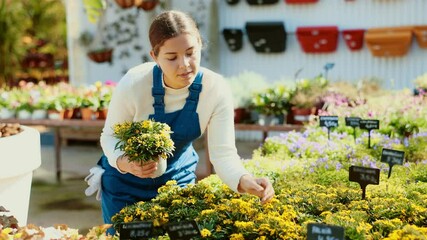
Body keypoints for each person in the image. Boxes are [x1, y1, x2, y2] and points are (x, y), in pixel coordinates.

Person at [95, 10, 274, 234]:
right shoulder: (134, 83)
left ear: (199, 45)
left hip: (177, 183)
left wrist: (244, 179)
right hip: (125, 186)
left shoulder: (214, 89)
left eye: (191, 53)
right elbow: (109, 136)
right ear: (154, 56)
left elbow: (223, 154)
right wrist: (125, 162)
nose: (184, 64)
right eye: (172, 57)